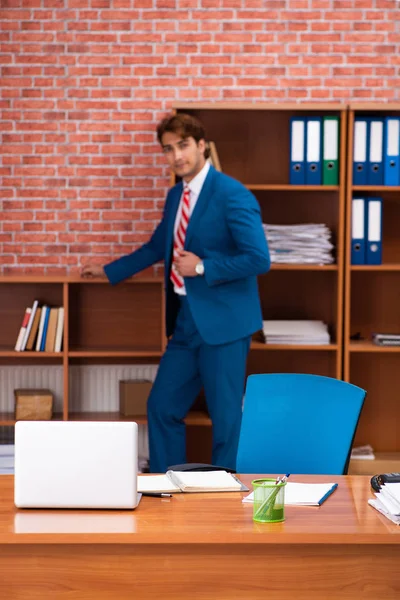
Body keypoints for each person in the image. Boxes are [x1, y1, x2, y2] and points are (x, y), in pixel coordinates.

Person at [81, 113, 270, 473]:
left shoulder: (232, 194)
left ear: (202, 146)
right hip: (185, 321)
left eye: (182, 146)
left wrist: (202, 267)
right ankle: (168, 488)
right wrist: (109, 271)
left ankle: (225, 500)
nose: (176, 156)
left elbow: (258, 259)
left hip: (225, 324)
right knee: (162, 406)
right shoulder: (175, 196)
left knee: (226, 417)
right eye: (168, 149)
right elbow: (157, 246)